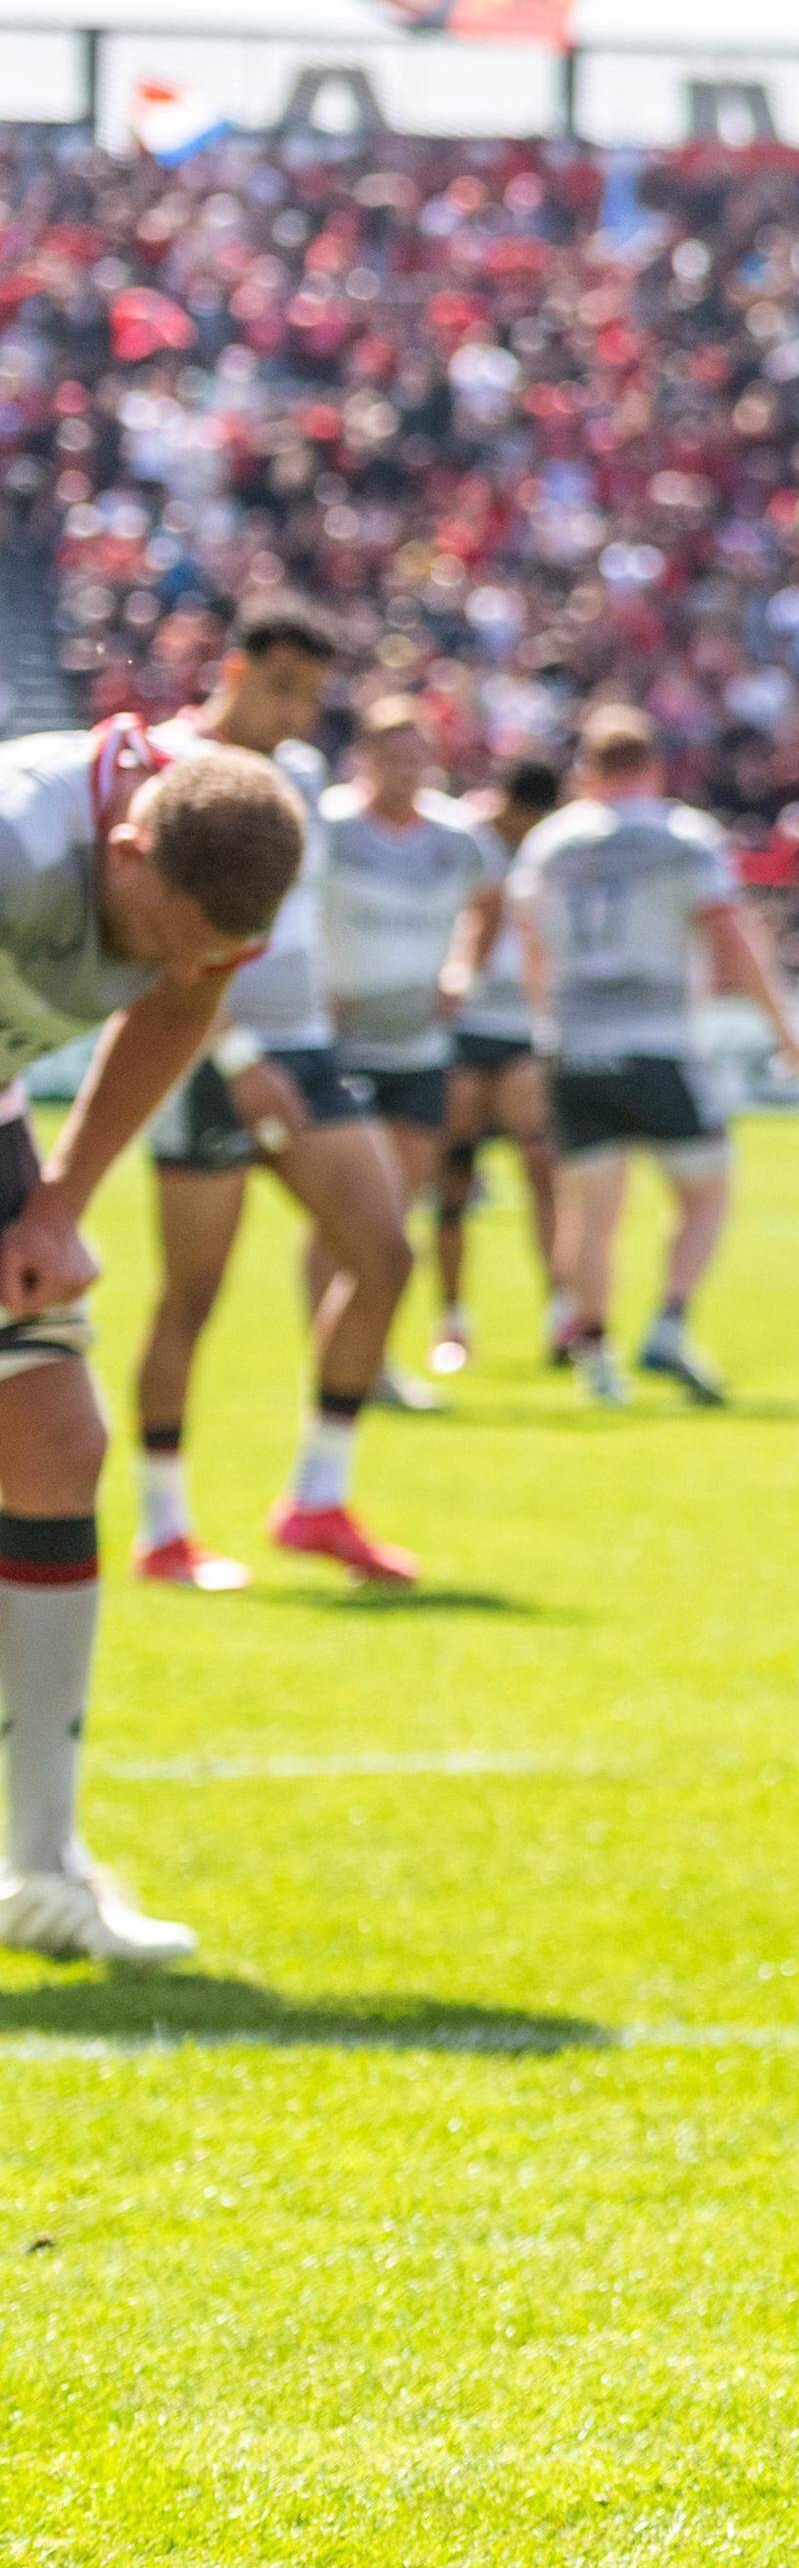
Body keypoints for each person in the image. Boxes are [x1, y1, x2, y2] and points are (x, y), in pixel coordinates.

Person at [0, 726, 311, 1965]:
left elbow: (183, 1005)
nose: (192, 963)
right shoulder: (19, 840)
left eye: (220, 949)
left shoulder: (227, 864)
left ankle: (37, 1870)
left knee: (53, 1444)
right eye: (172, 929)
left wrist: (57, 1204)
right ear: (123, 846)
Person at [127, 600, 426, 1591]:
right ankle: (164, 1527)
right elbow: (145, 939)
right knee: (195, 1294)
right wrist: (235, 1049)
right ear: (241, 670)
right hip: (193, 1052)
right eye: (287, 686)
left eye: (315, 693)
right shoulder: (168, 765)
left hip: (306, 1052)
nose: (301, 710)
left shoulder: (302, 778)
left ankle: (317, 1499)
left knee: (383, 1254)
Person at [510, 708, 799, 1406]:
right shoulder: (683, 837)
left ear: (587, 769)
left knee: (590, 1214)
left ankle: (596, 1361)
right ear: (653, 766)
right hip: (657, 1043)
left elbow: (529, 942)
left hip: (574, 1044)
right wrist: (781, 1026)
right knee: (706, 1189)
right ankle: (670, 1320)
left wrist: (545, 1022)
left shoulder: (552, 842)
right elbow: (730, 937)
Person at [315, 696, 505, 1413]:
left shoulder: (458, 836)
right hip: (336, 1050)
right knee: (340, 1211)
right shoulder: (329, 827)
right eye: (390, 756)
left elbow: (491, 901)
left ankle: (373, 1360)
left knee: (395, 1216)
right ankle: (331, 1358)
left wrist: (464, 971)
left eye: (416, 756)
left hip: (419, 1051)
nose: (404, 770)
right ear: (362, 758)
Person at [428, 757, 564, 1376]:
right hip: (461, 1027)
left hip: (521, 1030)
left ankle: (562, 1310)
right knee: (454, 1175)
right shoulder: (461, 839)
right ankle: (452, 1320)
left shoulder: (554, 850)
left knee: (541, 1161)